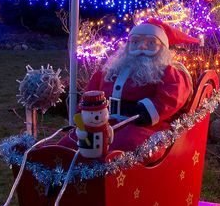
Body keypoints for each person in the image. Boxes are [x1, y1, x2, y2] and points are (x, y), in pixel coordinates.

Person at [80, 18, 198, 152]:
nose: (142, 46)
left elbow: (170, 98)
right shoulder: (110, 71)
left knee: (124, 144)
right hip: (104, 124)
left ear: (163, 49)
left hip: (145, 127)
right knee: (75, 140)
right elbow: (89, 95)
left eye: (151, 43)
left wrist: (140, 111)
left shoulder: (170, 73)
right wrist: (85, 116)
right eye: (135, 41)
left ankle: (104, 170)